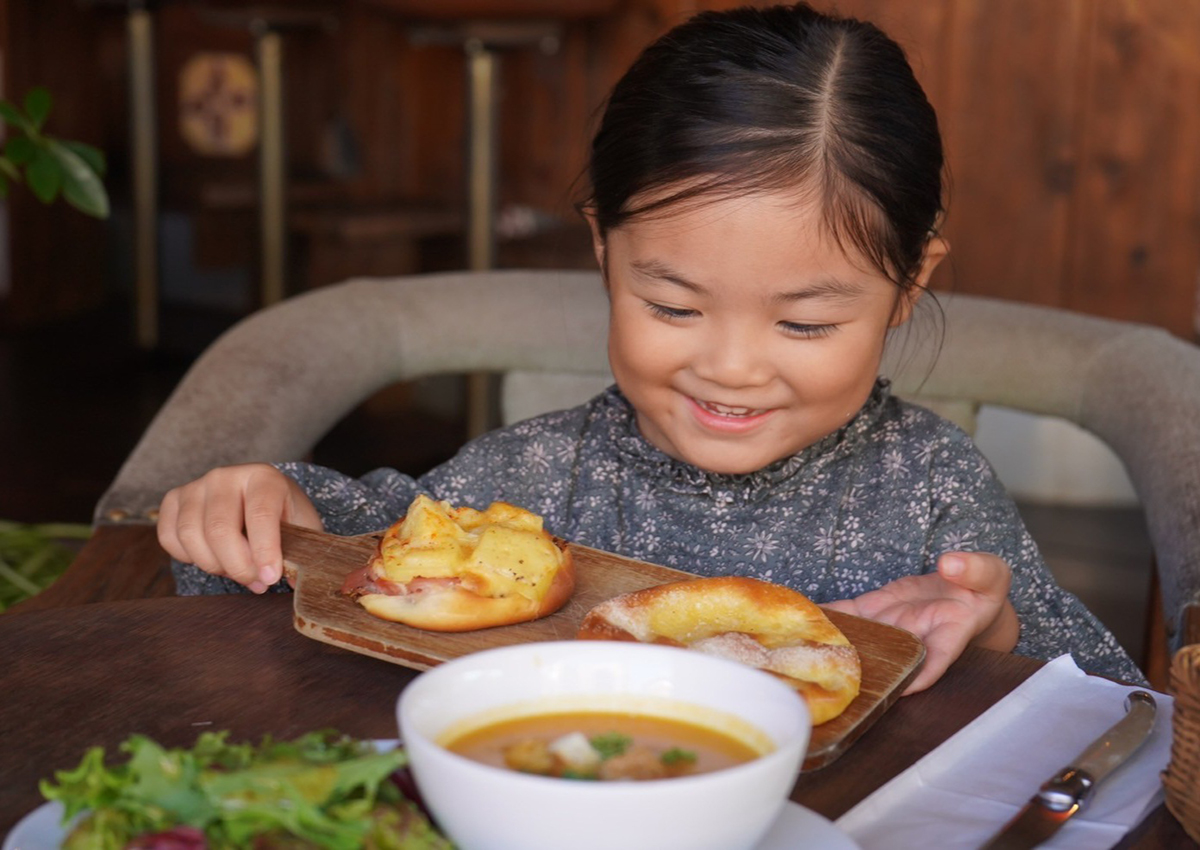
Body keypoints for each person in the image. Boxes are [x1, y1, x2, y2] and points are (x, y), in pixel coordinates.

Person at [157, 2, 1144, 692]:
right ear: (604, 253)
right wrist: (254, 513)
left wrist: (994, 629)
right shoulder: (539, 474)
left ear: (906, 290)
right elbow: (352, 560)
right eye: (672, 305)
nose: (730, 366)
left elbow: (1111, 708)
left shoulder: (934, 487)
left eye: (804, 323)